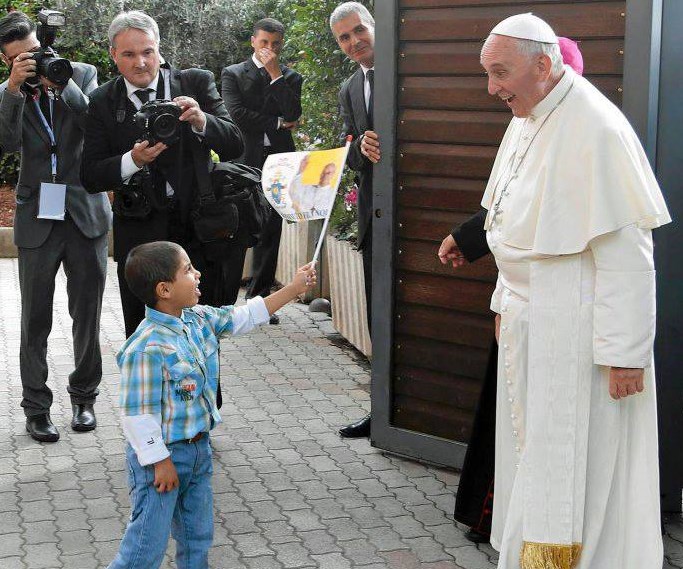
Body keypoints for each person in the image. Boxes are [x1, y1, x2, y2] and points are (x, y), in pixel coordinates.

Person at [438, 13, 670, 568]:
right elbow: (508, 225)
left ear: (543, 65)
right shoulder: (529, 113)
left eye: (500, 73)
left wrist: (625, 355)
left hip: (578, 331)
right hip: (529, 321)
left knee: (578, 462)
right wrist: (502, 304)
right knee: (531, 451)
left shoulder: (597, 128)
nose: (492, 88)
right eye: (486, 73)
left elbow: (628, 257)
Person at [438, 36, 585, 545]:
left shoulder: (580, 135)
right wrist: (467, 239)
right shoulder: (525, 123)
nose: (495, 89)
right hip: (517, 305)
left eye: (501, 76)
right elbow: (506, 208)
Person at [107, 240, 316, 568]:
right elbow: (137, 415)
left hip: (198, 452)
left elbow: (246, 316)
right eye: (188, 270)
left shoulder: (199, 319)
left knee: (197, 537)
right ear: (164, 289)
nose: (198, 274)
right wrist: (160, 462)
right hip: (161, 460)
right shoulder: (145, 348)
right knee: (145, 548)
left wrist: (293, 288)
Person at [81, 10, 244, 338]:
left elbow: (235, 145)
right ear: (113, 55)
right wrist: (133, 160)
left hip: (198, 233)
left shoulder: (194, 83)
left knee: (202, 342)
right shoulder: (102, 100)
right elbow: (91, 175)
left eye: (147, 52)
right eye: (128, 54)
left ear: (159, 49)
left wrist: (201, 121)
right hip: (141, 242)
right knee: (145, 340)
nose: (140, 62)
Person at [0, 11, 111, 442]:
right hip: (37, 218)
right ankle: (36, 407)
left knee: (87, 314)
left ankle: (84, 398)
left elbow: (94, 125)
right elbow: (5, 144)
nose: (30, 61)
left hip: (84, 212)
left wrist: (60, 84)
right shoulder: (9, 93)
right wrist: (13, 88)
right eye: (17, 59)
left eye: (32, 52)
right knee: (34, 319)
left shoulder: (81, 74)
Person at [222, 18, 303, 325]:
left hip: (280, 161)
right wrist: (278, 123)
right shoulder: (233, 73)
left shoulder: (289, 77)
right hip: (244, 158)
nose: (270, 48)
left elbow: (294, 111)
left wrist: (274, 75)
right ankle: (227, 303)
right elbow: (237, 113)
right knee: (239, 227)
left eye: (276, 44)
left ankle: (259, 302)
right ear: (254, 42)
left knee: (271, 228)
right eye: (265, 42)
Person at [330, 1, 378, 439]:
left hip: (413, 215)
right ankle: (380, 410)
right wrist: (360, 150)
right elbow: (353, 159)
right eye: (344, 37)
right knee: (376, 315)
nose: (354, 41)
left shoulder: (406, 72)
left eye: (359, 30)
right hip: (372, 218)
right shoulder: (350, 87)